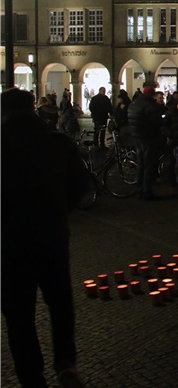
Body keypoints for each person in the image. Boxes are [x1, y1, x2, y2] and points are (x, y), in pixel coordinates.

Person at [2, 88, 89, 388]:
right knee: (60, 305)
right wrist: (60, 210)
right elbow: (80, 184)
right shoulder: (57, 142)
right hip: (51, 237)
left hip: (10, 244)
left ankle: (30, 375)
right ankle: (65, 364)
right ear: (35, 110)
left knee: (18, 314)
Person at [128, 86, 165, 201]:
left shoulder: (134, 103)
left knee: (141, 164)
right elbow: (156, 120)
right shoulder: (149, 105)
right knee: (148, 165)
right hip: (148, 137)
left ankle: (139, 189)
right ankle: (146, 192)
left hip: (137, 136)